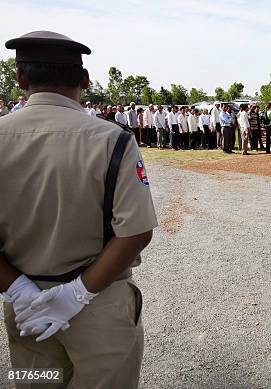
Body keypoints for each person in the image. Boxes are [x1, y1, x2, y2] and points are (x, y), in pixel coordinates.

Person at [1, 30, 156, 388]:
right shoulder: (112, 138)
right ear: (84, 79)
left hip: (27, 308)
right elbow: (135, 231)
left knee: (35, 382)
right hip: (100, 301)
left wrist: (21, 290)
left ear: (20, 78)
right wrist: (78, 293)